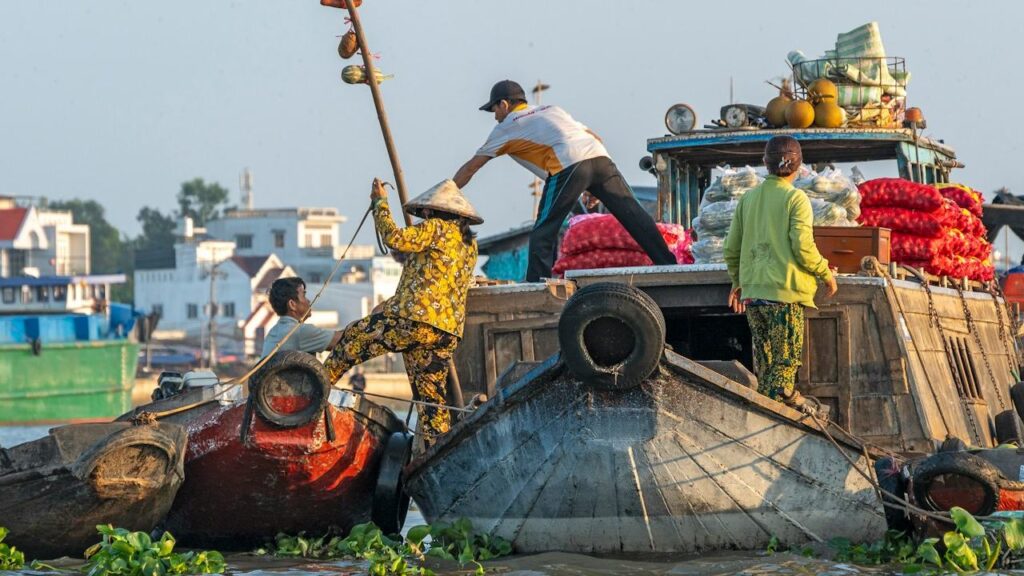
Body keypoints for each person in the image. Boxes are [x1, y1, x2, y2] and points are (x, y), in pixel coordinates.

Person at [453, 80, 676, 282]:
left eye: (494, 110)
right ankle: (669, 265)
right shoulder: (552, 110)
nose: (495, 116)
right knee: (634, 215)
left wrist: (448, 192)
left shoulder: (506, 127)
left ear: (503, 104)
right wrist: (592, 186)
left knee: (543, 230)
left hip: (568, 165)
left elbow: (472, 166)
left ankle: (536, 286)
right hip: (600, 157)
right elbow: (594, 135)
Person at [323, 178, 480, 440]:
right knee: (432, 402)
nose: (425, 216)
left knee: (353, 338)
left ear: (435, 212)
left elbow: (394, 237)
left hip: (415, 320)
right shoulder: (468, 245)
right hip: (446, 332)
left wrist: (380, 203)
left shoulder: (437, 229)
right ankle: (435, 450)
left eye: (428, 213)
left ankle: (313, 391)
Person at [722, 136, 838, 405]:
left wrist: (738, 283)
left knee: (766, 369)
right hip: (784, 298)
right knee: (784, 369)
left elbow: (731, 249)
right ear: (799, 166)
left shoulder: (748, 199)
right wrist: (825, 273)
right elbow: (802, 246)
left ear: (765, 163)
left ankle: (765, 413)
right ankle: (772, 417)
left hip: (754, 298)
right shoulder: (796, 199)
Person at [262, 277, 342, 357]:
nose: (308, 301)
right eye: (304, 295)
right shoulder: (299, 331)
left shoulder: (273, 333)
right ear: (292, 304)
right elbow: (346, 340)